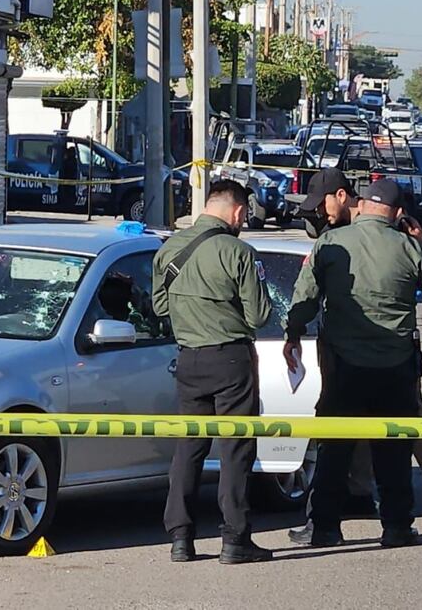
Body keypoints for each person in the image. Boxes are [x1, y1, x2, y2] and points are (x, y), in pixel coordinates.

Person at [286, 171, 422, 545]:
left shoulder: (332, 242)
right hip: (395, 368)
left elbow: (305, 296)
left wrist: (292, 334)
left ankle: (324, 527)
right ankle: (396, 526)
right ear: (398, 213)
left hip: (344, 365)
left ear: (362, 205)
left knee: (333, 447)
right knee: (393, 449)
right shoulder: (407, 246)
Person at [152, 180, 273, 564]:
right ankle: (235, 539)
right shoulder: (238, 252)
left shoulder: (169, 248)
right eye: (244, 215)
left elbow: (158, 307)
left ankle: (180, 538)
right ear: (237, 211)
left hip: (188, 359)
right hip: (232, 360)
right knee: (236, 449)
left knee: (189, 447)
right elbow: (260, 315)